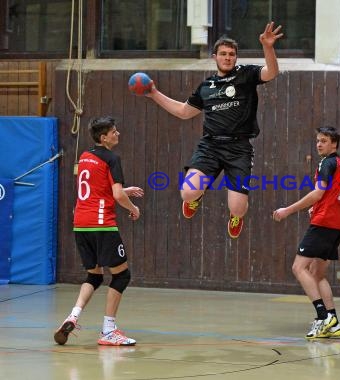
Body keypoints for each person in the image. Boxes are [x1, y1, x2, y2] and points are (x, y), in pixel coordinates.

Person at [146, 22, 283, 239]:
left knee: (237, 207)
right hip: (210, 146)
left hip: (239, 148)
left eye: (231, 54)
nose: (228, 57)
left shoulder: (246, 75)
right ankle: (197, 197)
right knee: (188, 192)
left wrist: (268, 47)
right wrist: (154, 93)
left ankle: (235, 216)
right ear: (215, 57)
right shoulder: (205, 87)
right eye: (223, 54)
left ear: (236, 57)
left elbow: (272, 72)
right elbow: (183, 111)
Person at [54, 116, 143, 346]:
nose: (118, 134)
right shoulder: (112, 158)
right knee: (122, 275)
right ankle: (108, 330)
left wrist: (125, 190)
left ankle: (73, 315)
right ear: (104, 137)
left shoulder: (85, 156)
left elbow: (98, 186)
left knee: (94, 275)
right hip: (102, 225)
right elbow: (116, 195)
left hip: (81, 223)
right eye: (114, 132)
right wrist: (133, 208)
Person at [273, 126, 340, 339]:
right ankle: (333, 321)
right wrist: (327, 205)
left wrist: (287, 210)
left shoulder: (326, 163)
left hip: (323, 224)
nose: (319, 144)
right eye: (318, 140)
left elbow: (318, 192)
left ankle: (322, 317)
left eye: (324, 141)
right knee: (318, 274)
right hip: (337, 225)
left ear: (334, 143)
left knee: (298, 267)